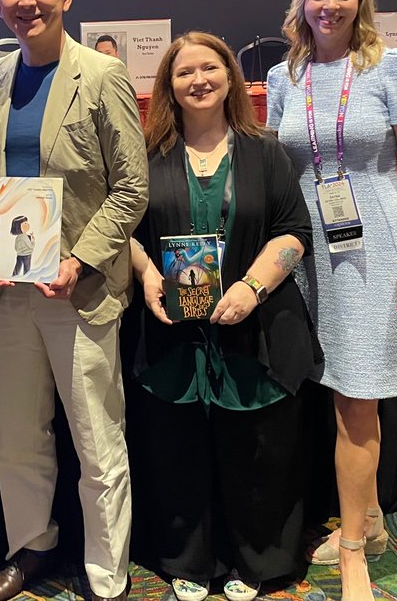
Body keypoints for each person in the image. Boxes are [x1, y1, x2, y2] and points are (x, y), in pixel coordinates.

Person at [0, 0, 148, 601]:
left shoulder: (102, 76)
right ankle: (30, 549)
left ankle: (108, 575)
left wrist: (78, 258)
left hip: (80, 288)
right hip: (10, 290)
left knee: (98, 443)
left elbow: (131, 188)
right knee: (17, 437)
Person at [266, 0, 397, 601]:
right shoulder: (287, 75)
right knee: (339, 392)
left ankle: (355, 552)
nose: (329, 7)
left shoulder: (391, 67)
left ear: (361, 2)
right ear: (301, 3)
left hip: (373, 249)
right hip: (308, 246)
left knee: (356, 395)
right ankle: (374, 521)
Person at [129, 33, 317, 601]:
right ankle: (191, 559)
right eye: (183, 72)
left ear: (231, 77)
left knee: (254, 450)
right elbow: (129, 233)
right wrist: (144, 274)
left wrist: (253, 287)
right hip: (173, 330)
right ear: (168, 87)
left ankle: (254, 563)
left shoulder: (266, 151)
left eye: (210, 67)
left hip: (253, 324)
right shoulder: (147, 154)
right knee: (178, 448)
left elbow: (294, 232)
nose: (199, 80)